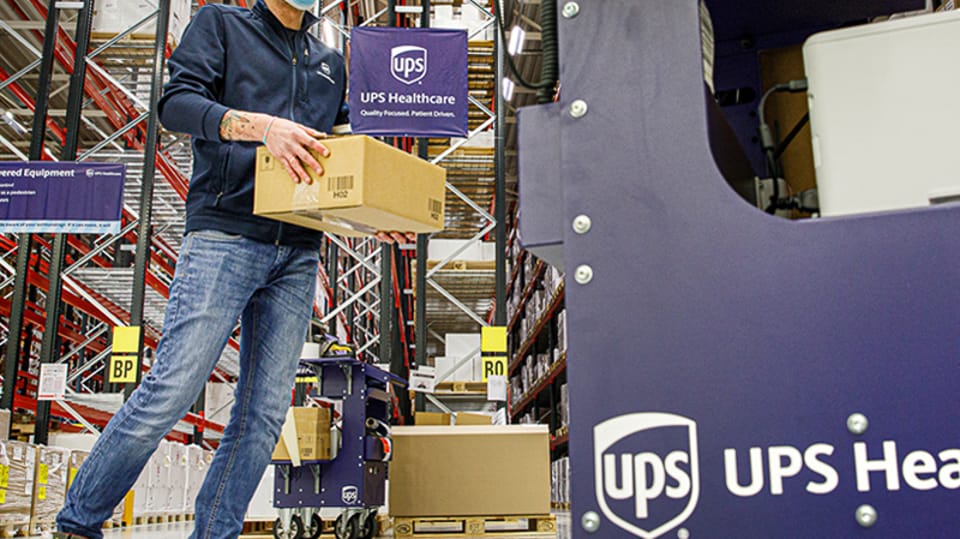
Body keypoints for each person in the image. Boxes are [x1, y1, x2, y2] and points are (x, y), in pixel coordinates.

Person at [56, 1, 409, 537]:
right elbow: (175, 105)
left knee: (264, 415)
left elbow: (337, 159)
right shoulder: (220, 25)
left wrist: (369, 218)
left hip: (298, 248)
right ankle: (79, 523)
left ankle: (215, 532)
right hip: (224, 234)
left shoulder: (329, 62)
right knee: (171, 390)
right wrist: (263, 127)